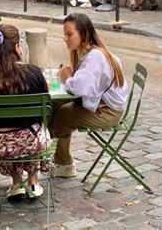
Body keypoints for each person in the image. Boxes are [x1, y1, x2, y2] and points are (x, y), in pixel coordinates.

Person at [0, 25, 50, 198]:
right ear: (16, 48)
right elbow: (44, 109)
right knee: (33, 128)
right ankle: (33, 181)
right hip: (30, 143)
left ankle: (17, 182)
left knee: (6, 130)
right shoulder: (33, 73)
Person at [50, 13, 128, 178]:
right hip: (104, 105)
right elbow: (85, 84)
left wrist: (67, 78)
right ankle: (62, 161)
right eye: (64, 34)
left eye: (69, 34)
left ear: (84, 35)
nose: (65, 38)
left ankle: (59, 161)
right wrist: (72, 77)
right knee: (56, 107)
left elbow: (82, 89)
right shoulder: (91, 52)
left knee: (60, 114)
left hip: (107, 112)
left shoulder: (94, 57)